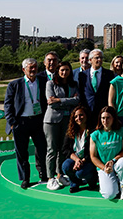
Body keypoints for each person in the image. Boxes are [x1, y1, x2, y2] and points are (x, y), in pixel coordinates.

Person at [4, 57, 48, 189]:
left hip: (38, 120)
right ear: (24, 69)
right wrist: (12, 123)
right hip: (21, 122)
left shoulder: (43, 81)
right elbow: (8, 105)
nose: (33, 70)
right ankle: (25, 178)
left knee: (42, 150)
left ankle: (44, 174)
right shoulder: (15, 84)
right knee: (22, 153)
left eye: (35, 67)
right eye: (30, 67)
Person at [44, 61, 79, 190]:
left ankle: (60, 175)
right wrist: (69, 101)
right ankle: (50, 177)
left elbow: (77, 100)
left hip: (67, 120)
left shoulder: (73, 85)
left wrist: (59, 100)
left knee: (63, 149)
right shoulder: (50, 84)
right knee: (52, 149)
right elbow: (51, 103)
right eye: (62, 70)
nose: (64, 72)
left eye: (67, 70)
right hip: (52, 120)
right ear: (58, 71)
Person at [90, 106, 123, 200]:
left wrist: (113, 160)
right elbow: (93, 156)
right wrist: (104, 168)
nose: (105, 121)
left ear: (113, 118)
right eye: (103, 118)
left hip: (117, 162)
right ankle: (111, 182)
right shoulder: (95, 135)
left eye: (108, 118)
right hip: (104, 167)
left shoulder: (122, 132)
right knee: (110, 195)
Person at [61, 105, 98, 193]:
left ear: (86, 115)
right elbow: (65, 149)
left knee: (80, 173)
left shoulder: (93, 131)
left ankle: (92, 180)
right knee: (66, 166)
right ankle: (74, 183)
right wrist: (77, 160)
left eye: (81, 115)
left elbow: (94, 151)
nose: (79, 118)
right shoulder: (71, 131)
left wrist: (82, 161)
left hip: (88, 160)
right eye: (76, 116)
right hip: (76, 159)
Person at [79, 49, 114, 122]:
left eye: (101, 58)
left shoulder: (109, 74)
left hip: (103, 112)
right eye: (97, 58)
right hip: (88, 110)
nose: (100, 60)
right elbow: (82, 92)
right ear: (90, 60)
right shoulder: (82, 75)